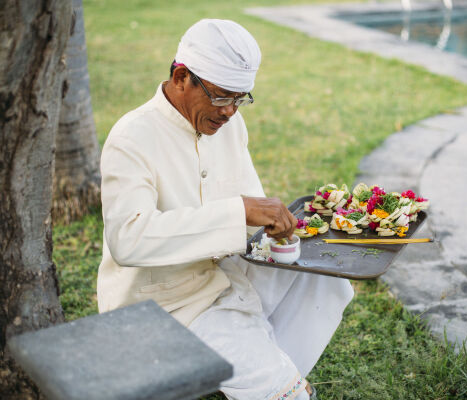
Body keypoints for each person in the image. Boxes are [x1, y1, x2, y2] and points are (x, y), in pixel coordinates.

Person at [97, 19, 354, 400]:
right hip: (168, 305)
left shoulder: (228, 125)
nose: (231, 111)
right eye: (221, 97)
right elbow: (128, 240)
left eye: (240, 98)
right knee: (286, 393)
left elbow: (249, 213)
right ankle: (275, 381)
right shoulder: (132, 137)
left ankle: (268, 368)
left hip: (228, 275)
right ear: (181, 76)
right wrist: (240, 212)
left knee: (329, 278)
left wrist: (281, 232)